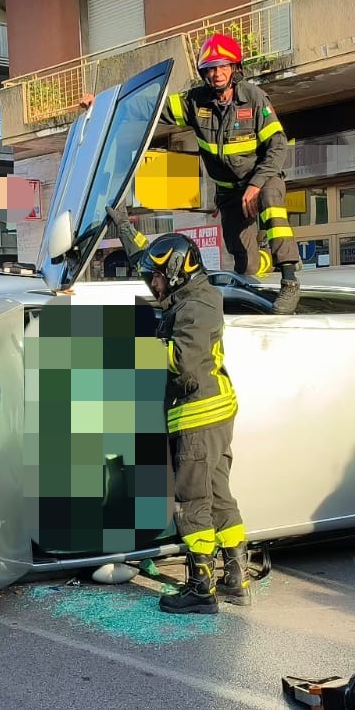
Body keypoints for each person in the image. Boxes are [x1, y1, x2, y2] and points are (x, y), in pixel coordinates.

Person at [80, 33, 303, 314]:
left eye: (223, 66)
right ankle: (256, 295)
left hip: (260, 178)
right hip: (228, 193)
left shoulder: (254, 99)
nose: (218, 73)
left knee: (272, 199)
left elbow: (277, 145)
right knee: (244, 264)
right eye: (211, 68)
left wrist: (256, 184)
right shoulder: (195, 102)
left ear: (235, 68)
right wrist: (102, 104)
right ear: (204, 73)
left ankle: (290, 279)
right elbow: (150, 107)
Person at [135, 233, 249, 612]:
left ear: (177, 271)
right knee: (218, 495)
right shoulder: (195, 296)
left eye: (159, 277)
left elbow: (182, 361)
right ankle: (235, 578)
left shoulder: (195, 307)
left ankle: (201, 589)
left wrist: (138, 350)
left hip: (196, 415)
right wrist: (125, 231)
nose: (154, 284)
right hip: (215, 411)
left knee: (192, 502)